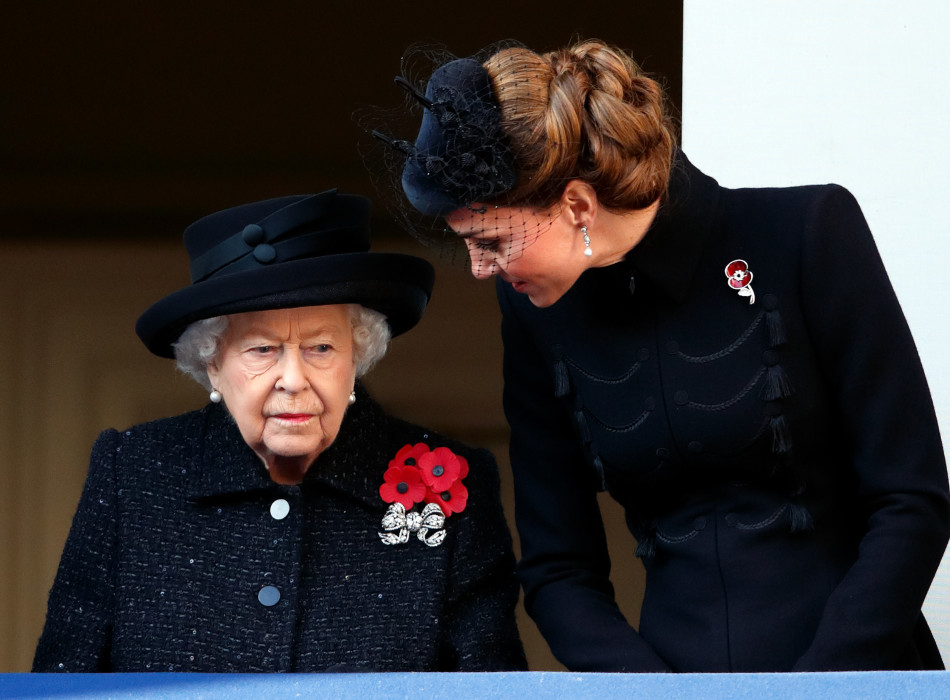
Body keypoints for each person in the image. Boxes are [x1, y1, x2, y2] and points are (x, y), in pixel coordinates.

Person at [370, 39, 950, 672]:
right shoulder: (535, 312)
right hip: (664, 682)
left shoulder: (806, 231)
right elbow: (557, 567)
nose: (480, 270)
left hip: (856, 674)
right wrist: (649, 694)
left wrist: (819, 691)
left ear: (577, 204)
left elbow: (911, 501)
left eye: (492, 241)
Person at [32, 190, 526, 672]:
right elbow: (62, 682)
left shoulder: (453, 482)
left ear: (357, 356)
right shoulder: (134, 473)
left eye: (321, 348)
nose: (293, 379)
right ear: (212, 364)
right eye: (262, 349)